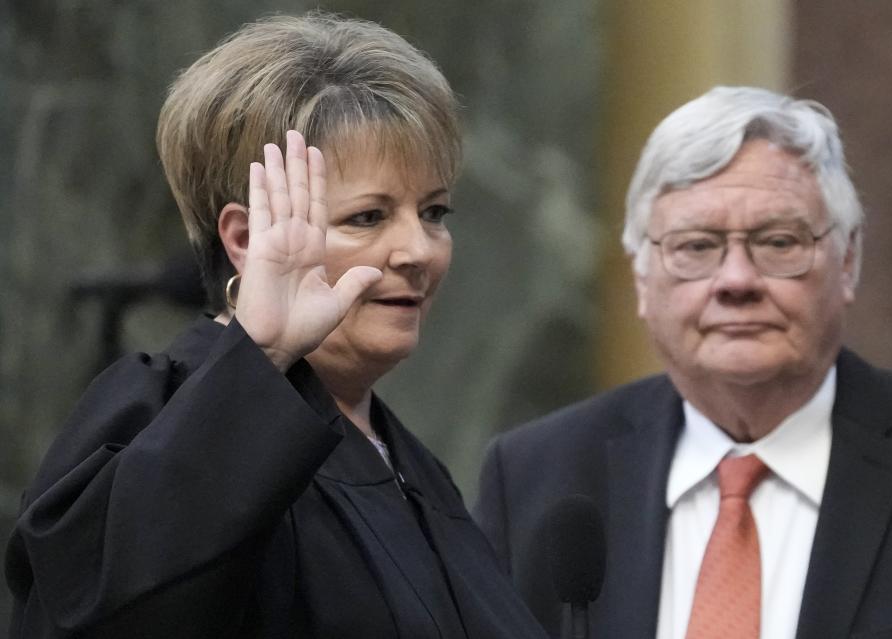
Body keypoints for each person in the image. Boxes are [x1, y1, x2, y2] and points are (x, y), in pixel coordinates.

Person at [5, 13, 547, 639]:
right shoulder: (156, 414)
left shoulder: (408, 459)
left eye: (433, 212)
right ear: (245, 239)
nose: (419, 250)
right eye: (368, 216)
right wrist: (262, 355)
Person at [474, 86, 892, 639]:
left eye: (778, 242)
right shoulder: (538, 477)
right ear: (641, 278)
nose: (736, 281)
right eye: (696, 246)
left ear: (847, 261)